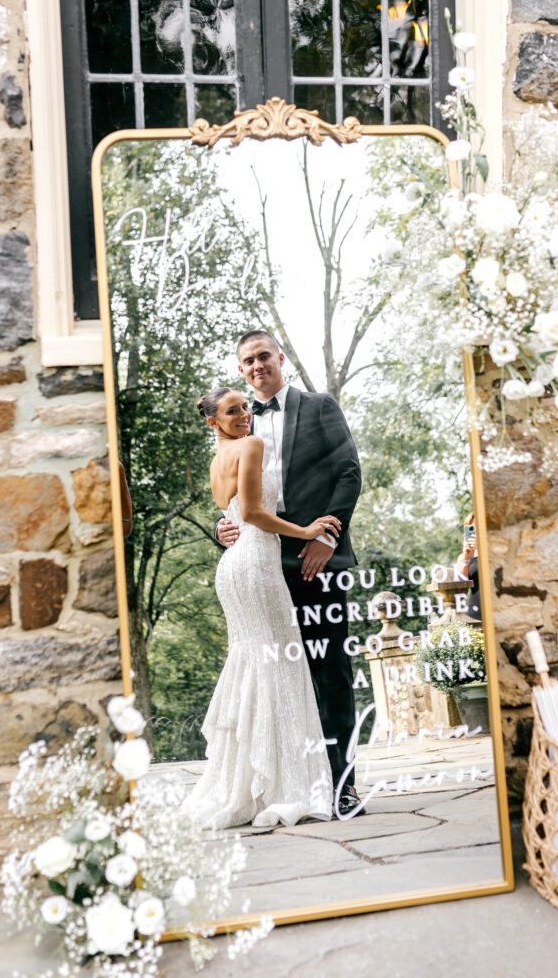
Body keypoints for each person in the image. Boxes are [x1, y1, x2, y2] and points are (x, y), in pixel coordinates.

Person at [216, 329, 364, 818]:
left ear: (280, 358)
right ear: (241, 370)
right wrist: (225, 525)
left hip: (315, 560)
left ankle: (342, 785)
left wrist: (324, 538)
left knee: (329, 674)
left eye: (264, 356)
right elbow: (237, 496)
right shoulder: (236, 426)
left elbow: (348, 473)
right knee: (274, 673)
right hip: (261, 565)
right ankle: (286, 786)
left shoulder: (320, 406)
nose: (258, 365)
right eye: (248, 360)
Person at [183, 386, 338, 828]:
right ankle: (282, 787)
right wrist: (307, 532)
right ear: (213, 421)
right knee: (280, 662)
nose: (245, 415)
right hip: (255, 564)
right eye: (233, 410)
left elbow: (231, 513)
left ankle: (248, 784)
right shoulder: (251, 445)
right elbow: (250, 512)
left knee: (255, 661)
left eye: (246, 407)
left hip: (234, 568)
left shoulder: (217, 461)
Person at [456, 511, 481, 623]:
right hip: (475, 613)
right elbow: (460, 593)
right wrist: (466, 558)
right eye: (471, 529)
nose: (475, 532)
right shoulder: (463, 558)